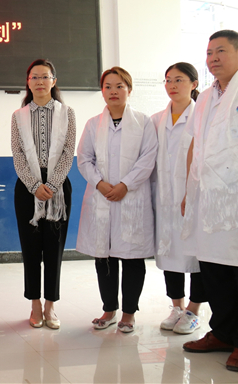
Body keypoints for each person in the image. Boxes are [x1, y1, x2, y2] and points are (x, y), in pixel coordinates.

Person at [181, 30, 238, 372]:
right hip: (208, 200)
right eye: (209, 52)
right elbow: (195, 144)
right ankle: (224, 332)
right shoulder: (204, 97)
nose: (213, 58)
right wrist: (189, 192)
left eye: (221, 51)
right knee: (214, 271)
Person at [76, 67, 157, 333]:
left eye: (119, 86)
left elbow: (148, 158)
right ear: (102, 91)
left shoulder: (144, 122)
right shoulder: (93, 124)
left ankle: (129, 313)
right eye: (108, 86)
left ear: (129, 90)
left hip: (132, 198)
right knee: (104, 257)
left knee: (132, 258)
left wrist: (125, 185)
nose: (113, 91)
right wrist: (99, 183)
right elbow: (84, 159)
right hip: (101, 197)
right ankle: (109, 309)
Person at [11, 59, 75, 330]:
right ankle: (35, 303)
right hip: (27, 190)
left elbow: (68, 150)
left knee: (54, 250)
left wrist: (54, 183)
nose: (39, 81)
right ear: (28, 82)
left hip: (58, 190)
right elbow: (17, 154)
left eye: (44, 76)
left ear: (53, 81)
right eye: (34, 77)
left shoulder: (67, 113)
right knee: (30, 249)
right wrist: (34, 185)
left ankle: (50, 305)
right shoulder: (19, 115)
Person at [151, 62, 206, 335]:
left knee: (197, 255)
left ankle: (193, 311)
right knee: (169, 251)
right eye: (168, 80)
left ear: (194, 84)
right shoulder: (156, 120)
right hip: (164, 198)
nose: (172, 85)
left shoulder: (202, 117)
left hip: (194, 198)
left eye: (179, 80)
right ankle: (176, 307)